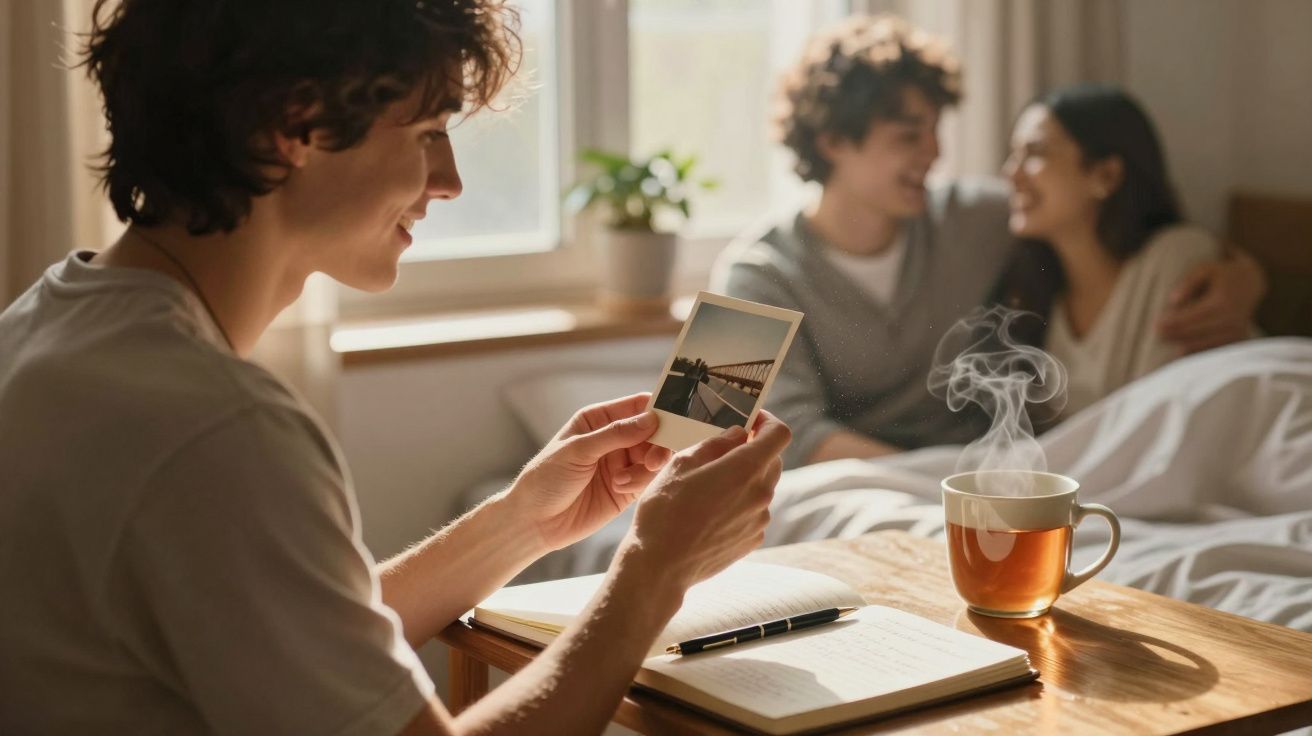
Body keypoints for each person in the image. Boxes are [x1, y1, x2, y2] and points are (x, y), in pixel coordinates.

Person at [0, 1, 790, 734]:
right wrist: (654, 573)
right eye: (428, 134)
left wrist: (524, 522)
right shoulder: (216, 427)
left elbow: (293, 631)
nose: (449, 182)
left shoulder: (52, 324)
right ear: (295, 126)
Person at [712, 15, 1265, 469]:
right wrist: (942, 483)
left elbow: (1107, 219)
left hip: (985, 477)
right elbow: (706, 426)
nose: (934, 153)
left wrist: (1245, 277)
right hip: (892, 486)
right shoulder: (752, 272)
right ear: (832, 141)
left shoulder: (972, 219)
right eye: (909, 136)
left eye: (936, 130)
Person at [994, 83, 1248, 416]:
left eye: (1036, 153)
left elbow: (1162, 422)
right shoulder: (1039, 292)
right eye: (1014, 154)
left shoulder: (1176, 257)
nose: (1010, 174)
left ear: (1106, 176)